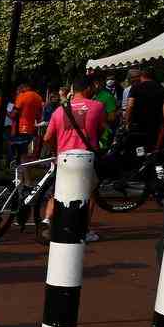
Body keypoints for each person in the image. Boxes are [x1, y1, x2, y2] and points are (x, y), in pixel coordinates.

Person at [42, 77, 105, 243]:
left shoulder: (59, 111)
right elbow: (101, 129)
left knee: (57, 192)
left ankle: (47, 219)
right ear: (88, 88)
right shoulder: (97, 106)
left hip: (64, 158)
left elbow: (47, 137)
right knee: (90, 193)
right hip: (86, 157)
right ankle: (84, 229)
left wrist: (57, 149)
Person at [123, 68, 164, 151]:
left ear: (141, 76)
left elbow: (130, 105)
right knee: (151, 147)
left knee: (137, 148)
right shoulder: (161, 88)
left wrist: (127, 122)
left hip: (138, 124)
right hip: (155, 124)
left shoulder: (135, 87)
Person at [10, 83, 43, 166]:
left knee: (21, 155)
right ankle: (21, 177)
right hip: (31, 128)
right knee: (24, 153)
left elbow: (14, 114)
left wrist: (8, 113)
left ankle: (27, 178)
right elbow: (39, 116)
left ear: (21, 89)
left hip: (20, 128)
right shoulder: (38, 97)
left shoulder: (22, 96)